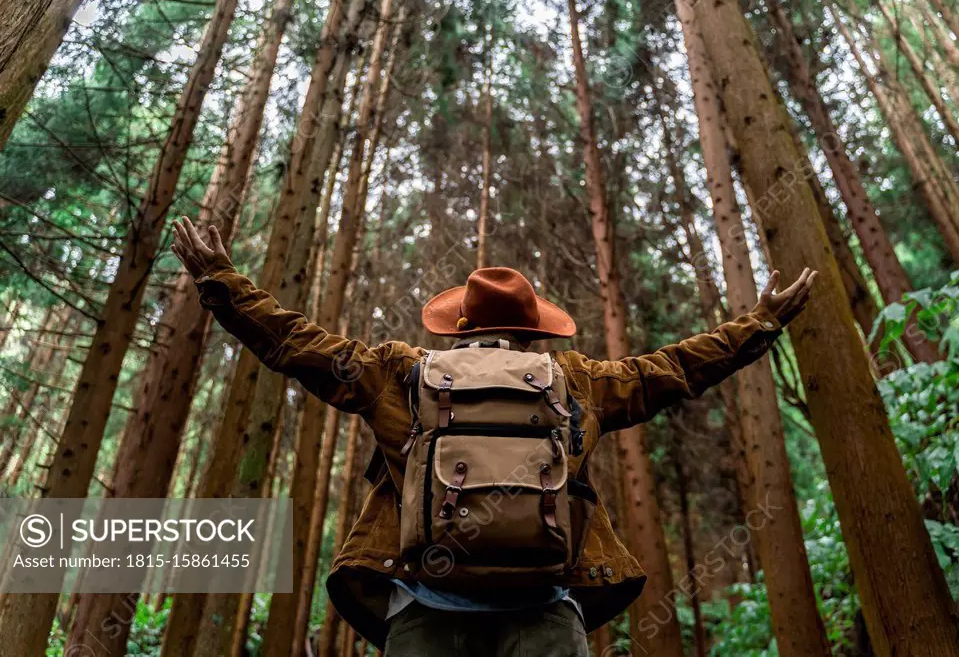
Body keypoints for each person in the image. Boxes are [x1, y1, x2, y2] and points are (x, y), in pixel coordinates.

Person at [171, 216, 817, 656]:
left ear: (459, 329)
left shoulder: (404, 373)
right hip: (543, 618)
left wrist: (223, 285)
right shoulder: (575, 379)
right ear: (537, 333)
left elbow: (299, 346)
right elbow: (673, 371)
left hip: (425, 616)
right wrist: (759, 324)